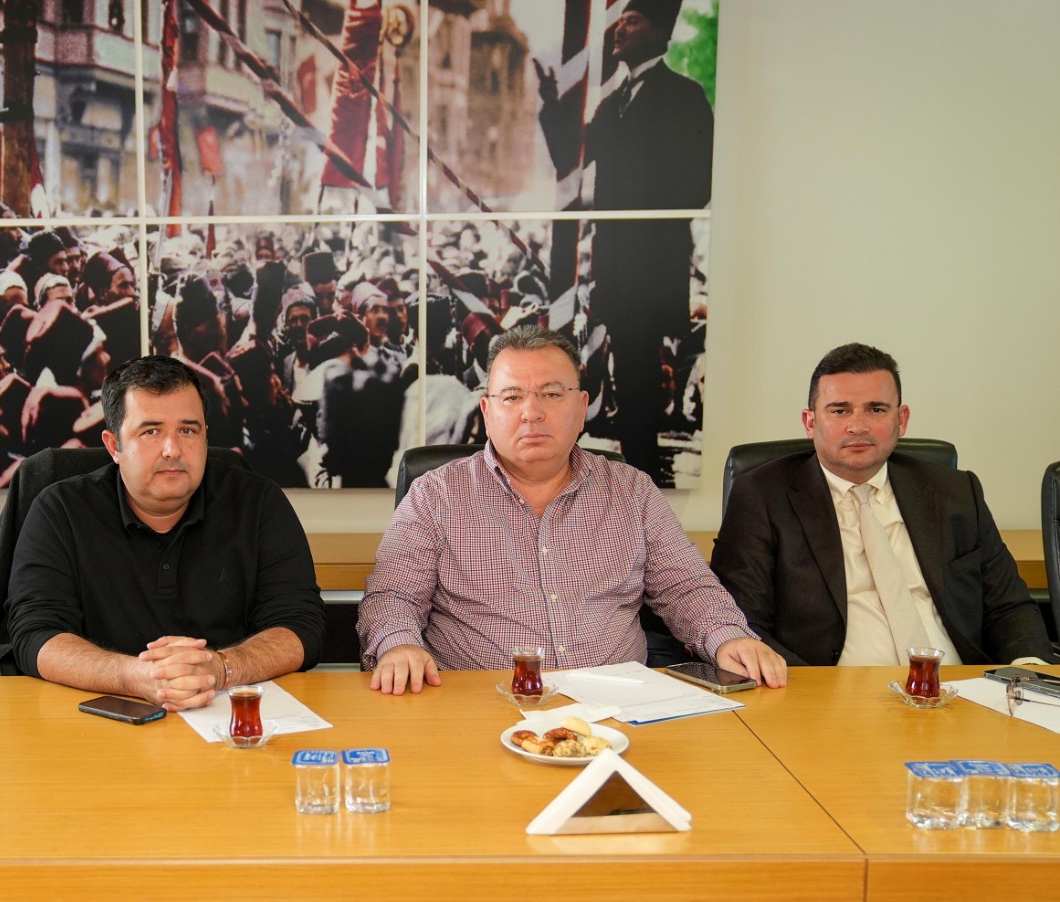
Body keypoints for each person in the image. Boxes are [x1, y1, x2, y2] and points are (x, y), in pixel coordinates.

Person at [358, 325, 785, 694]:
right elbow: (393, 595)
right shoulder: (435, 495)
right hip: (482, 706)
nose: (531, 412)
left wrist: (728, 637)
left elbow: (685, 587)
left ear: (581, 407)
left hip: (618, 706)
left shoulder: (632, 491)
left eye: (551, 393)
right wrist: (399, 645)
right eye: (512, 396)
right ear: (487, 411)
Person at [6, 356, 324, 710]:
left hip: (228, 712)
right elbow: (36, 635)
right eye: (151, 431)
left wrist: (221, 668)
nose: (172, 450)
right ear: (114, 446)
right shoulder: (60, 510)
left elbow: (300, 626)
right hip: (100, 716)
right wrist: (134, 676)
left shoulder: (259, 502)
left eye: (188, 430)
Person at [712, 343, 1050, 667]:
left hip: (958, 687)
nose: (858, 426)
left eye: (876, 409)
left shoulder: (955, 492)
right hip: (834, 692)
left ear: (902, 420)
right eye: (840, 410)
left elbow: (1008, 607)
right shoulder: (762, 496)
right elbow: (743, 621)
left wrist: (1028, 676)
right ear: (810, 422)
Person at [537, 0, 713, 479]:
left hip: (653, 261)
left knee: (638, 363)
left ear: (659, 32)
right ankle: (640, 470)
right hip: (615, 263)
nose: (619, 29)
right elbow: (570, 157)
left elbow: (701, 181)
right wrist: (553, 106)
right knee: (628, 364)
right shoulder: (611, 104)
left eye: (631, 21)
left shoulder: (685, 96)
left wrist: (646, 219)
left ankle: (642, 474)